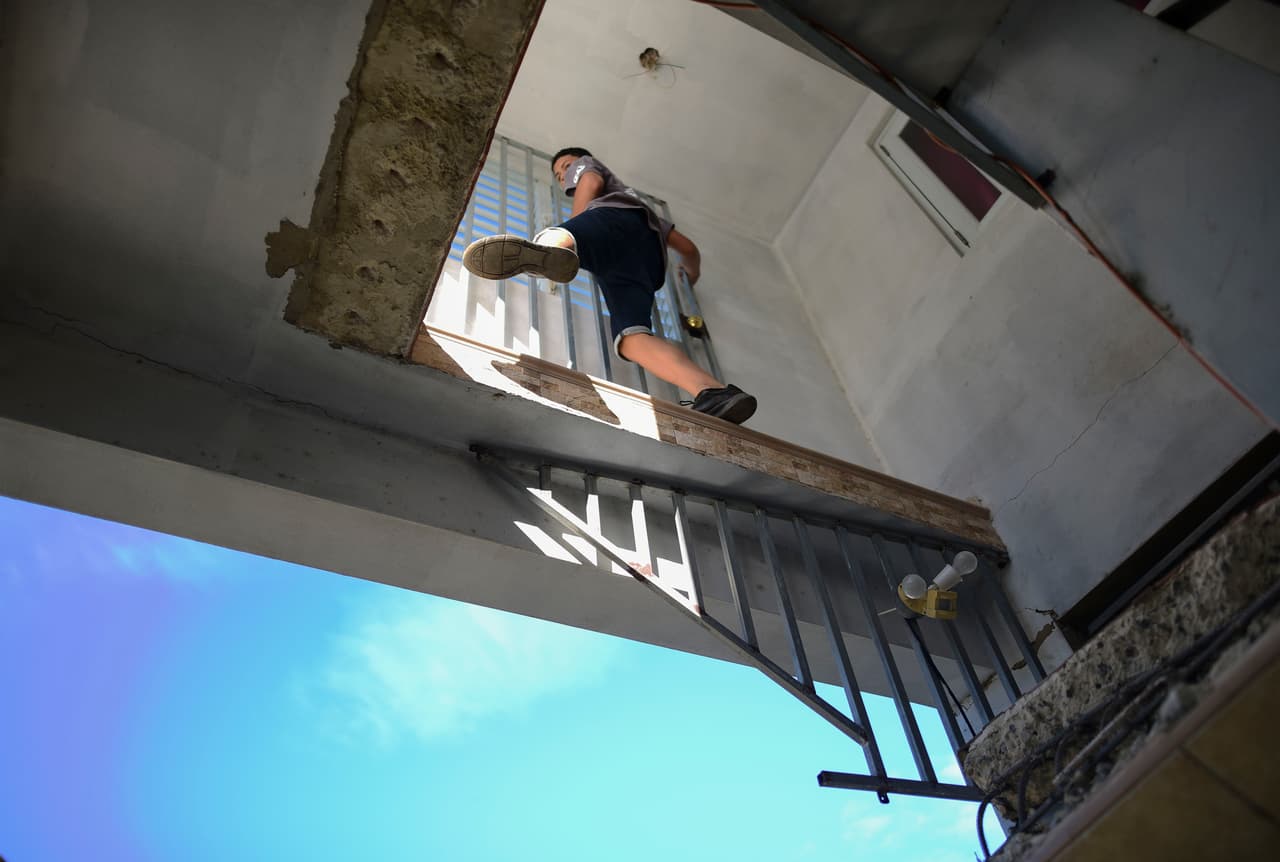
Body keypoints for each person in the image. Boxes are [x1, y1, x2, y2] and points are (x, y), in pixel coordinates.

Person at [462, 147, 757, 425]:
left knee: (565, 233)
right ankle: (713, 391)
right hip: (646, 266)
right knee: (630, 337)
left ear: (581, 160)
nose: (565, 174)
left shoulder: (591, 175)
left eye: (566, 167)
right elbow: (688, 249)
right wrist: (689, 278)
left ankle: (555, 249)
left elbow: (589, 179)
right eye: (559, 174)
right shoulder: (645, 210)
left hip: (614, 226)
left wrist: (577, 222)